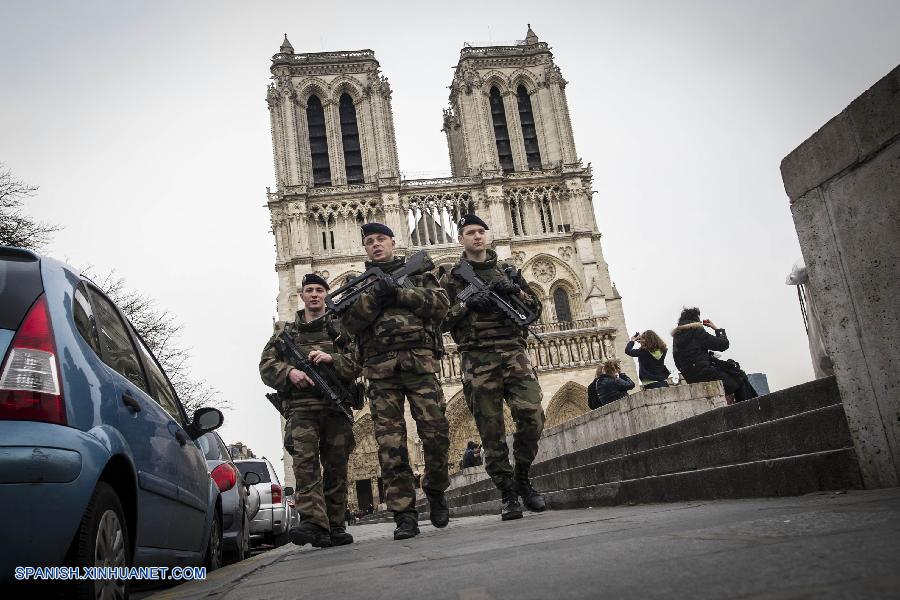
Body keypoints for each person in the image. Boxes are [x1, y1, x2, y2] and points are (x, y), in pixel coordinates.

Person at [339, 222, 451, 540]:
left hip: (420, 365)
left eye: (381, 240)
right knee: (391, 447)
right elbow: (347, 324)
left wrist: (400, 292)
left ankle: (435, 490)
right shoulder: (356, 284)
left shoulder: (417, 272)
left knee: (437, 434)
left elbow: (441, 307)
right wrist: (376, 297)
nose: (376, 245)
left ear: (392, 242)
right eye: (369, 241)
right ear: (365, 248)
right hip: (380, 372)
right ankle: (403, 514)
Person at [439, 214, 547, 521]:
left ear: (487, 236)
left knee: (533, 417)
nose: (476, 237)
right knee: (491, 431)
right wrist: (468, 304)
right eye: (469, 233)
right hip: (477, 359)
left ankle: (523, 476)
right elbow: (441, 321)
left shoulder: (509, 271)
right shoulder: (451, 279)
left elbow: (533, 311)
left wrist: (514, 291)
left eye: (480, 231)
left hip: (514, 354)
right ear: (460, 239)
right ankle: (508, 493)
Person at [259, 273, 359, 548]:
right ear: (301, 296)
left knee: (336, 466)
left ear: (326, 295)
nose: (314, 294)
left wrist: (332, 359)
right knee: (305, 467)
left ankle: (336, 524)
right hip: (301, 410)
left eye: (319, 290)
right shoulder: (285, 333)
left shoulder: (342, 330)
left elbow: (359, 363)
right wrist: (289, 372)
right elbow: (266, 367)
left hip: (335, 407)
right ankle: (314, 524)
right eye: (309, 290)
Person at [671, 307, 758, 402]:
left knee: (734, 375)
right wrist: (716, 329)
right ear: (696, 319)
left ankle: (752, 404)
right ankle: (752, 406)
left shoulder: (676, 338)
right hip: (706, 374)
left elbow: (677, 360)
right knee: (739, 376)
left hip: (690, 378)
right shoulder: (696, 331)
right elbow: (723, 345)